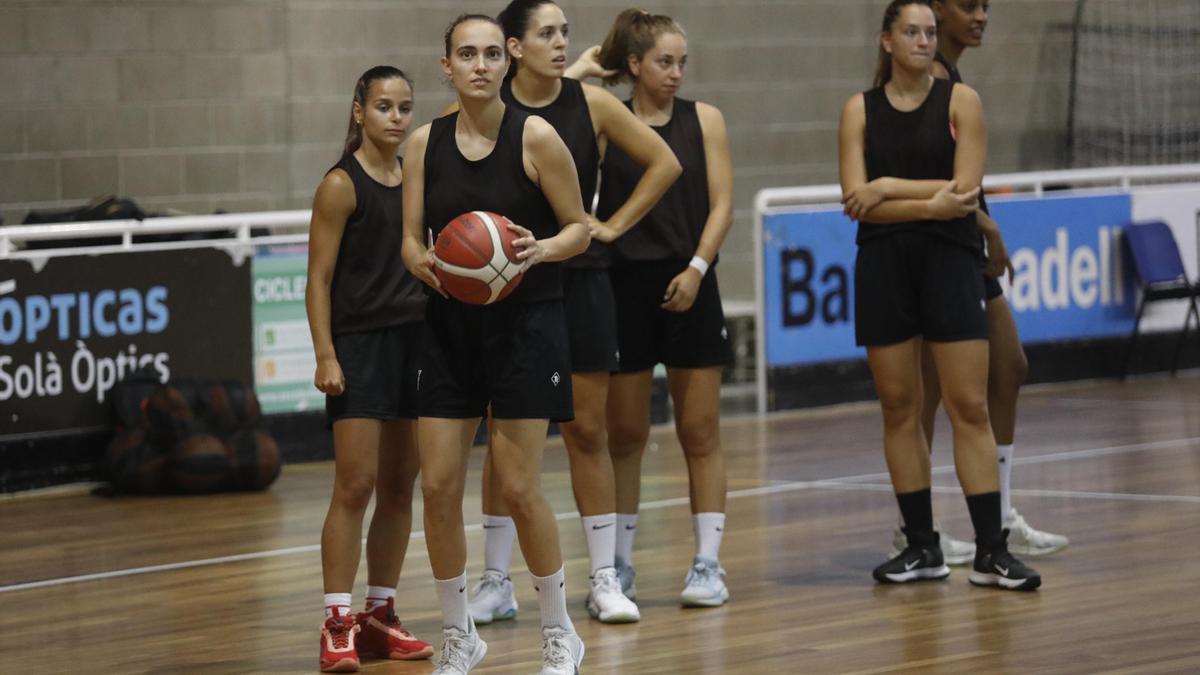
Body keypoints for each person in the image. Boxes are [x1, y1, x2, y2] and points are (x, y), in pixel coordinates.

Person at [465, 0, 681, 627]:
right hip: (503, 291)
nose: (561, 43)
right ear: (513, 46)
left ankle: (606, 579)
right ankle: (497, 581)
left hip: (579, 282)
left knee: (589, 431)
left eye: (564, 33)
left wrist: (610, 225)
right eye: (547, 34)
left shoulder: (591, 104)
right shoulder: (487, 108)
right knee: (503, 440)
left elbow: (665, 163)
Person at [400, 14, 589, 675]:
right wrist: (423, 260)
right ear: (445, 65)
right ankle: (460, 634)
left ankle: (560, 631)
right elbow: (409, 237)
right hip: (449, 326)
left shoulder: (536, 136)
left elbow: (579, 229)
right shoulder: (424, 143)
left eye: (489, 53)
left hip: (527, 324)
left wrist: (539, 251)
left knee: (517, 485)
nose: (479, 64)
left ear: (506, 63)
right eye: (465, 54)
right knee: (439, 485)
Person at [838, 0, 1040, 590]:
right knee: (900, 408)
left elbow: (966, 189)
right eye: (912, 32)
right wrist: (925, 202)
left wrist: (890, 190)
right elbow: (854, 200)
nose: (924, 41)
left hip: (951, 260)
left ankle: (991, 550)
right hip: (882, 263)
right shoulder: (859, 110)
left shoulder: (961, 101)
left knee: (968, 406)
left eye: (930, 32)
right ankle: (922, 546)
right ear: (886, 41)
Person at [893, 0, 1068, 561]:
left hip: (964, 239)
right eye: (969, 5)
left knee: (1008, 366)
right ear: (937, 9)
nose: (982, 15)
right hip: (940, 244)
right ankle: (914, 527)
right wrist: (989, 227)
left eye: (987, 6)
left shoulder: (951, 73)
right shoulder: (931, 77)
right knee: (928, 391)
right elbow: (932, 178)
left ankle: (1002, 512)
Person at [590, 8, 735, 607]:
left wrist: (697, 269)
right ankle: (618, 564)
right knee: (624, 433)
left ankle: (708, 564)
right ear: (633, 66)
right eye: (663, 62)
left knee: (698, 430)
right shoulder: (607, 121)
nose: (675, 73)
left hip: (691, 281)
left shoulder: (706, 120)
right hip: (624, 288)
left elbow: (723, 204)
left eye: (681, 62)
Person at [305, 66, 433, 673]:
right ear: (359, 111)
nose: (396, 117)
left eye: (404, 107)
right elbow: (319, 279)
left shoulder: (416, 178)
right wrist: (325, 353)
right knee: (354, 487)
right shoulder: (340, 183)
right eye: (384, 106)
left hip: (416, 343)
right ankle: (337, 623)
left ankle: (378, 616)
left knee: (401, 487)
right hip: (359, 347)